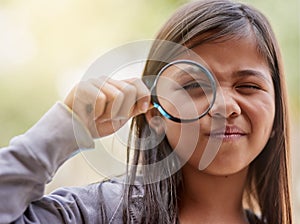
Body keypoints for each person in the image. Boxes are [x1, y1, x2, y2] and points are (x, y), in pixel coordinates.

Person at [0, 0, 292, 223]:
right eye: (193, 86)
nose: (225, 106)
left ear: (277, 112)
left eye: (248, 86)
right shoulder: (92, 214)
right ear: (154, 114)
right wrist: (65, 126)